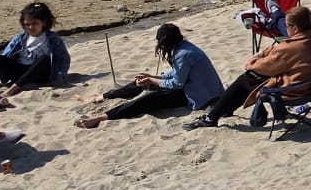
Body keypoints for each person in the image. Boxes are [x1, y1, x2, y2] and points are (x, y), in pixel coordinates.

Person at [184, 7, 311, 128]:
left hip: (294, 89)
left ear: (295, 28)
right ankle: (224, 110)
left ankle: (211, 118)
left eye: (286, 25)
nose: (285, 28)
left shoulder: (292, 47)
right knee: (251, 79)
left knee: (246, 79)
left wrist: (253, 60)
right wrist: (266, 53)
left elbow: (262, 66)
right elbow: (277, 52)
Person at [74, 22, 223, 127]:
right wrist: (154, 77)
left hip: (199, 95)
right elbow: (177, 73)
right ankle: (98, 98)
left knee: (148, 99)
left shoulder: (184, 54)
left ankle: (103, 117)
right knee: (142, 81)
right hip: (191, 87)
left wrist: (152, 79)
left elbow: (177, 83)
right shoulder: (183, 48)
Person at [0, 1, 67, 107]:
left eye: (35, 23)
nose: (31, 27)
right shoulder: (20, 38)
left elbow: (62, 59)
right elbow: (6, 56)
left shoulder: (53, 39)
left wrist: (59, 76)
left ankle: (12, 90)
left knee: (44, 58)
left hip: (38, 73)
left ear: (44, 22)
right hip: (18, 72)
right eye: (27, 24)